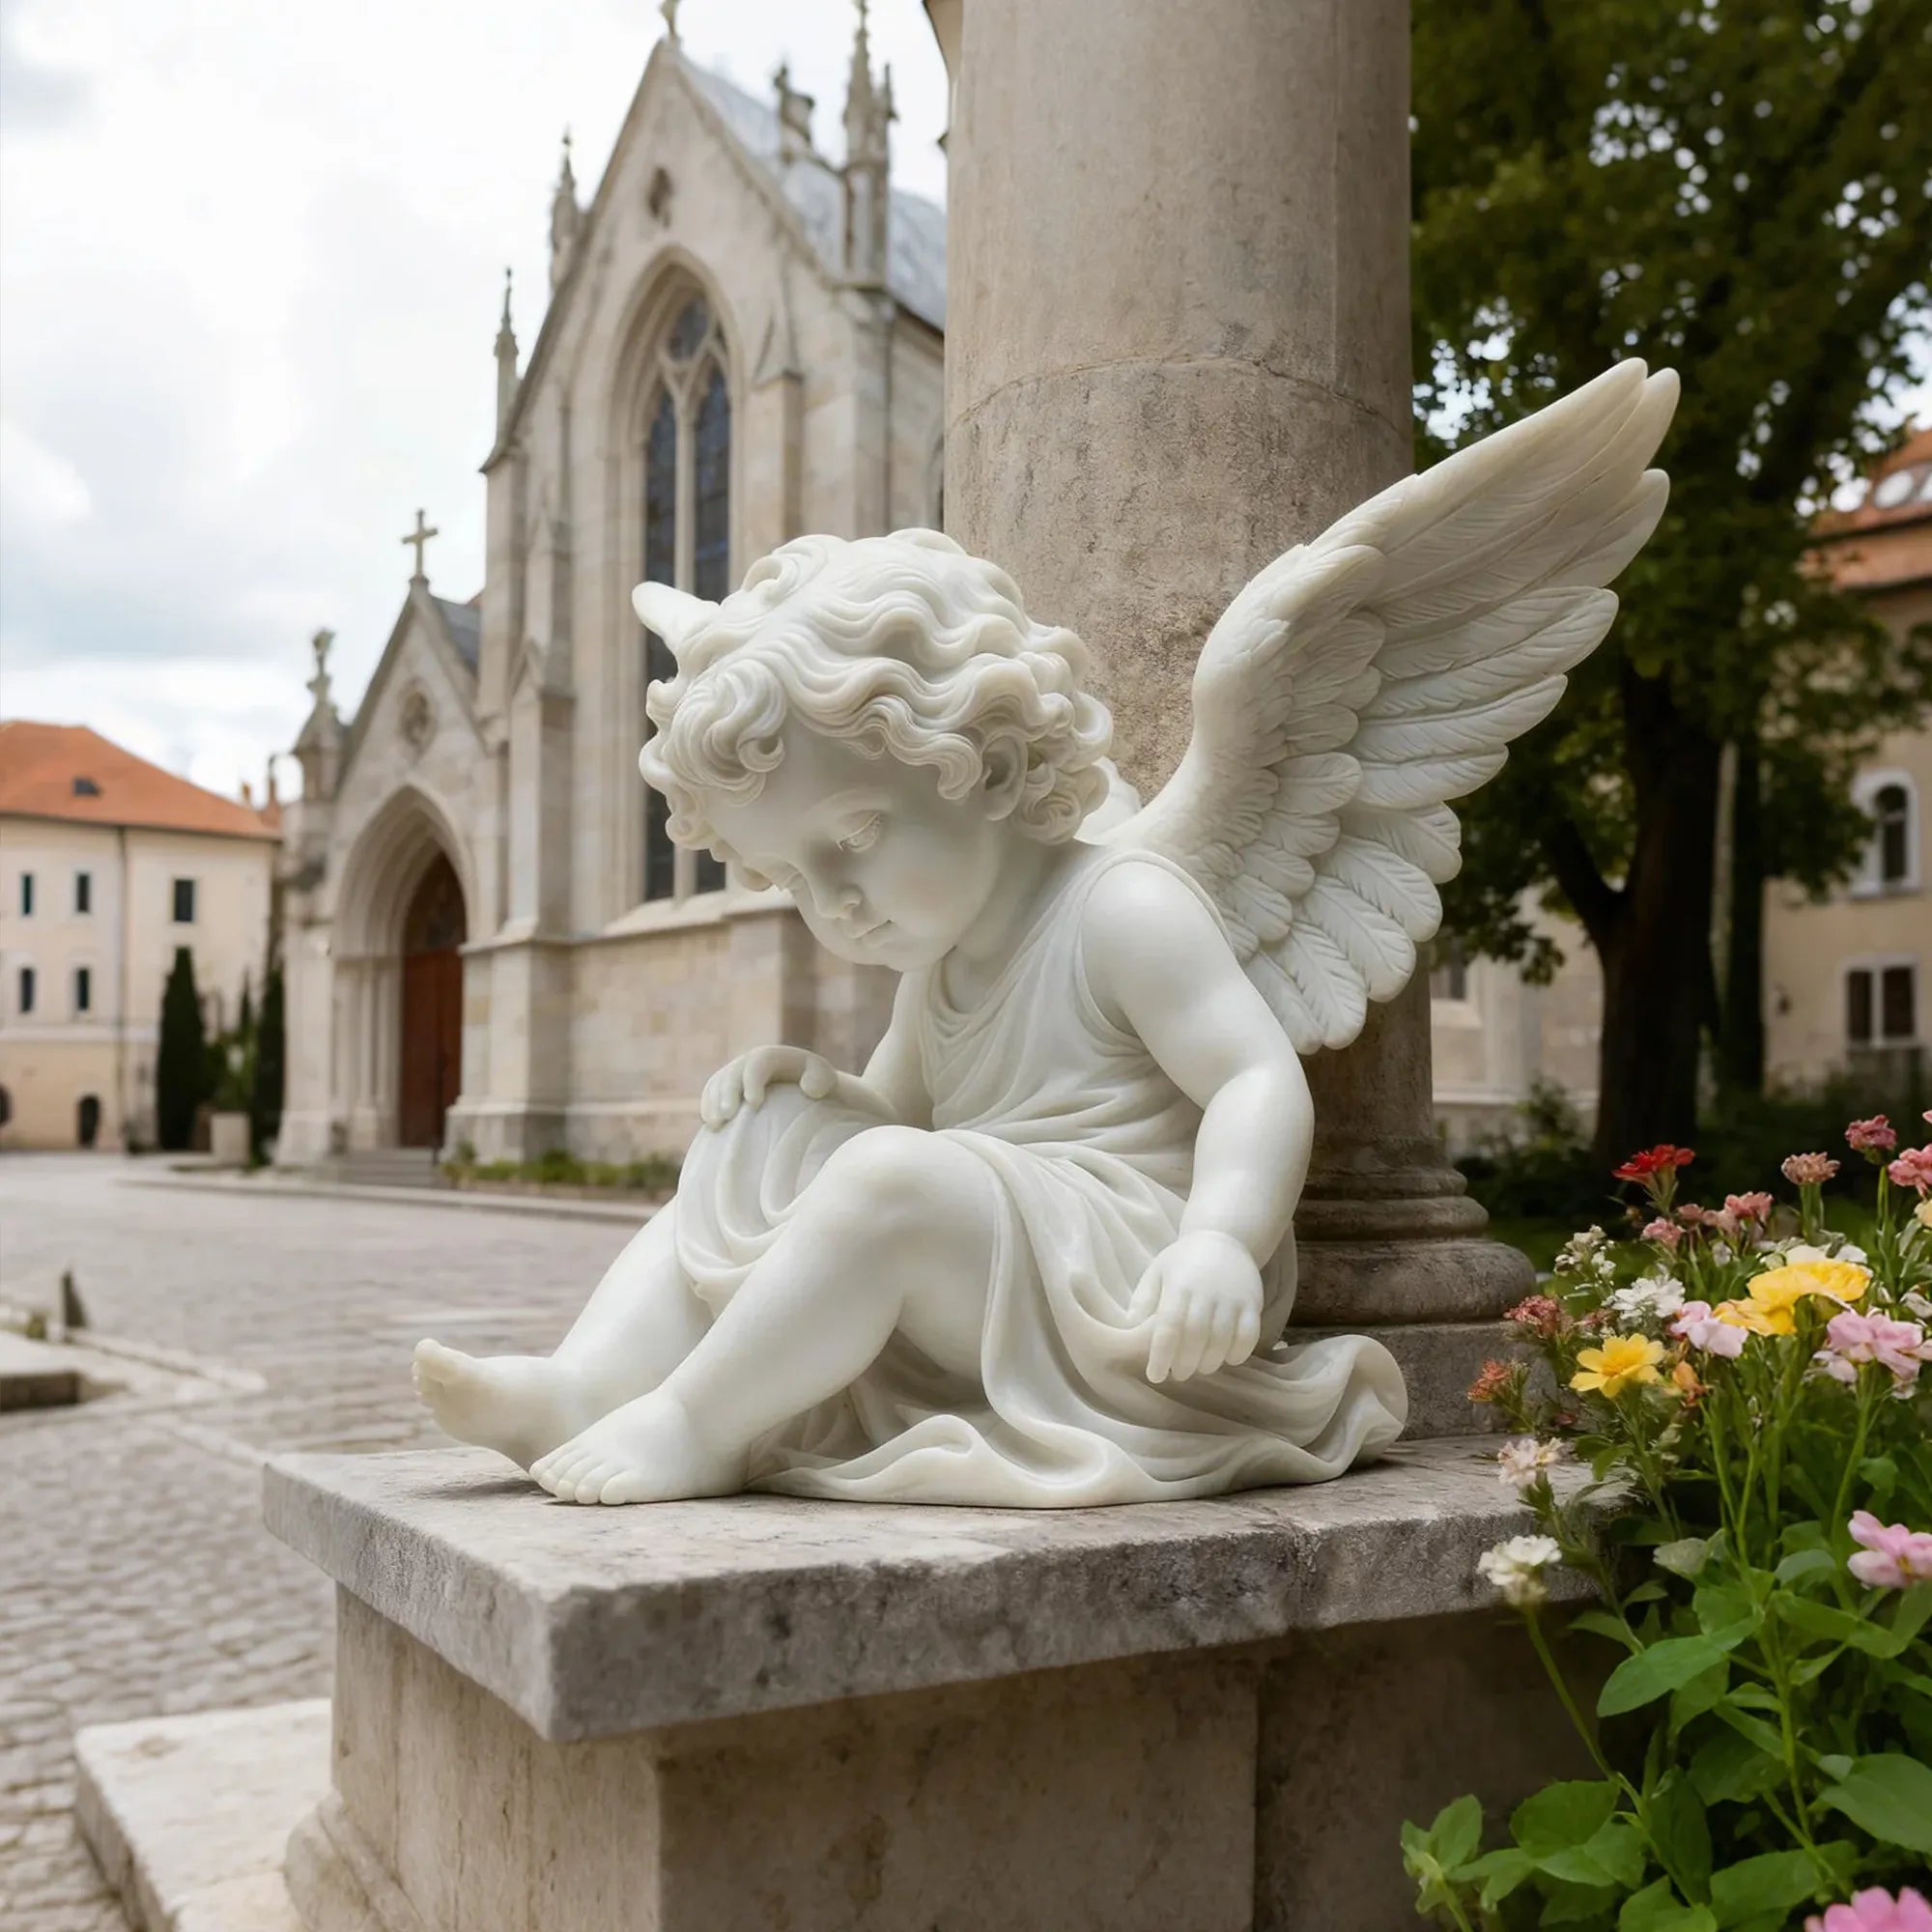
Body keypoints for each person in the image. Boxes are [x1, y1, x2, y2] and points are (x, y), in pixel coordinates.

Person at [414, 527, 1406, 1506]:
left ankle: (694, 1423)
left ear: (982, 760)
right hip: (990, 1248)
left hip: (1128, 1277)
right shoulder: (938, 961)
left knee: (889, 1177)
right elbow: (891, 1107)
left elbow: (1251, 1076)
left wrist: (1221, 1239)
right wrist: (810, 1099)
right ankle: (586, 1383)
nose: (834, 902)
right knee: (769, 1133)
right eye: (794, 876)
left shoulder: (1121, 905)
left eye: (852, 834)